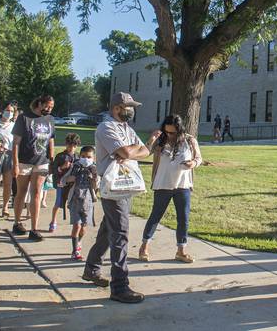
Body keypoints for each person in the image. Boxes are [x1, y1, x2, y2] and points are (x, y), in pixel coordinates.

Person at [83, 92, 153, 304]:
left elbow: (146, 151)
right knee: (120, 232)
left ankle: (92, 269)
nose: (131, 109)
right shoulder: (106, 127)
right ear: (116, 108)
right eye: (128, 106)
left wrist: (130, 152)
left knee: (109, 228)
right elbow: (126, 151)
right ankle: (119, 286)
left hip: (126, 184)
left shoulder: (126, 129)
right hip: (113, 185)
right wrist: (130, 151)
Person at [140, 114, 202, 264]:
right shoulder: (161, 140)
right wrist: (152, 139)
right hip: (162, 184)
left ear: (179, 130)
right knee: (156, 216)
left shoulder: (189, 140)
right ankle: (144, 247)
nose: (169, 135)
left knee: (183, 219)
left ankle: (181, 251)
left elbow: (199, 158)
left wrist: (193, 163)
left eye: (173, 132)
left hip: (183, 185)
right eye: (167, 131)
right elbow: (144, 152)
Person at [11, 95, 56, 241]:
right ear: (39, 104)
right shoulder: (24, 118)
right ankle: (17, 222)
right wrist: (16, 164)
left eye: (51, 107)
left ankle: (34, 229)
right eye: (47, 106)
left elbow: (51, 139)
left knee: (37, 193)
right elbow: (16, 143)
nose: (49, 109)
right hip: (24, 161)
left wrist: (52, 158)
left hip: (42, 161)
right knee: (21, 192)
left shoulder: (50, 120)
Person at [61, 145, 98, 261]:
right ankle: (75, 250)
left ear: (93, 158)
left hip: (88, 201)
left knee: (84, 226)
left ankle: (79, 242)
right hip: (75, 200)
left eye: (88, 157)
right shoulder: (75, 167)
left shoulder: (94, 169)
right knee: (76, 225)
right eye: (83, 156)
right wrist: (72, 178)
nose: (85, 159)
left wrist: (93, 179)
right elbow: (64, 180)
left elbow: (97, 186)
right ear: (79, 156)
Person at [49, 133, 81, 232]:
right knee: (58, 203)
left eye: (74, 145)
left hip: (73, 185)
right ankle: (53, 221)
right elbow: (53, 170)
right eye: (70, 145)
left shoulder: (78, 157)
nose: (72, 147)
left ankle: (77, 224)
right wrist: (62, 167)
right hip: (61, 184)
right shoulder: (60, 156)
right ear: (66, 144)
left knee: (75, 204)